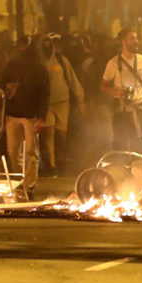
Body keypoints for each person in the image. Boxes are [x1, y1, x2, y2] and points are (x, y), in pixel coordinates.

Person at [100, 28, 142, 155]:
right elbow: (103, 87)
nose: (136, 41)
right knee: (120, 143)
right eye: (132, 39)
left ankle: (140, 170)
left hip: (141, 109)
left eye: (136, 38)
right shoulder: (113, 63)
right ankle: (122, 171)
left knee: (141, 142)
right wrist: (115, 91)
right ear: (123, 42)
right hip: (122, 110)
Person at [1, 37, 50, 199]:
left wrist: (41, 116)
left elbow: (45, 93)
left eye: (24, 46)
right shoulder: (12, 64)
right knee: (13, 152)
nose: (22, 49)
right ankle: (18, 183)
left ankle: (28, 185)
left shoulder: (39, 68)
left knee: (31, 152)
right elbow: (2, 85)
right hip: (13, 114)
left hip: (31, 116)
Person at [38, 33, 83, 176]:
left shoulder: (62, 61)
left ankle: (60, 162)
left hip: (63, 103)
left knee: (61, 135)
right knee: (48, 134)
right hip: (46, 105)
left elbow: (72, 79)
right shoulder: (38, 62)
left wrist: (80, 98)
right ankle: (51, 166)